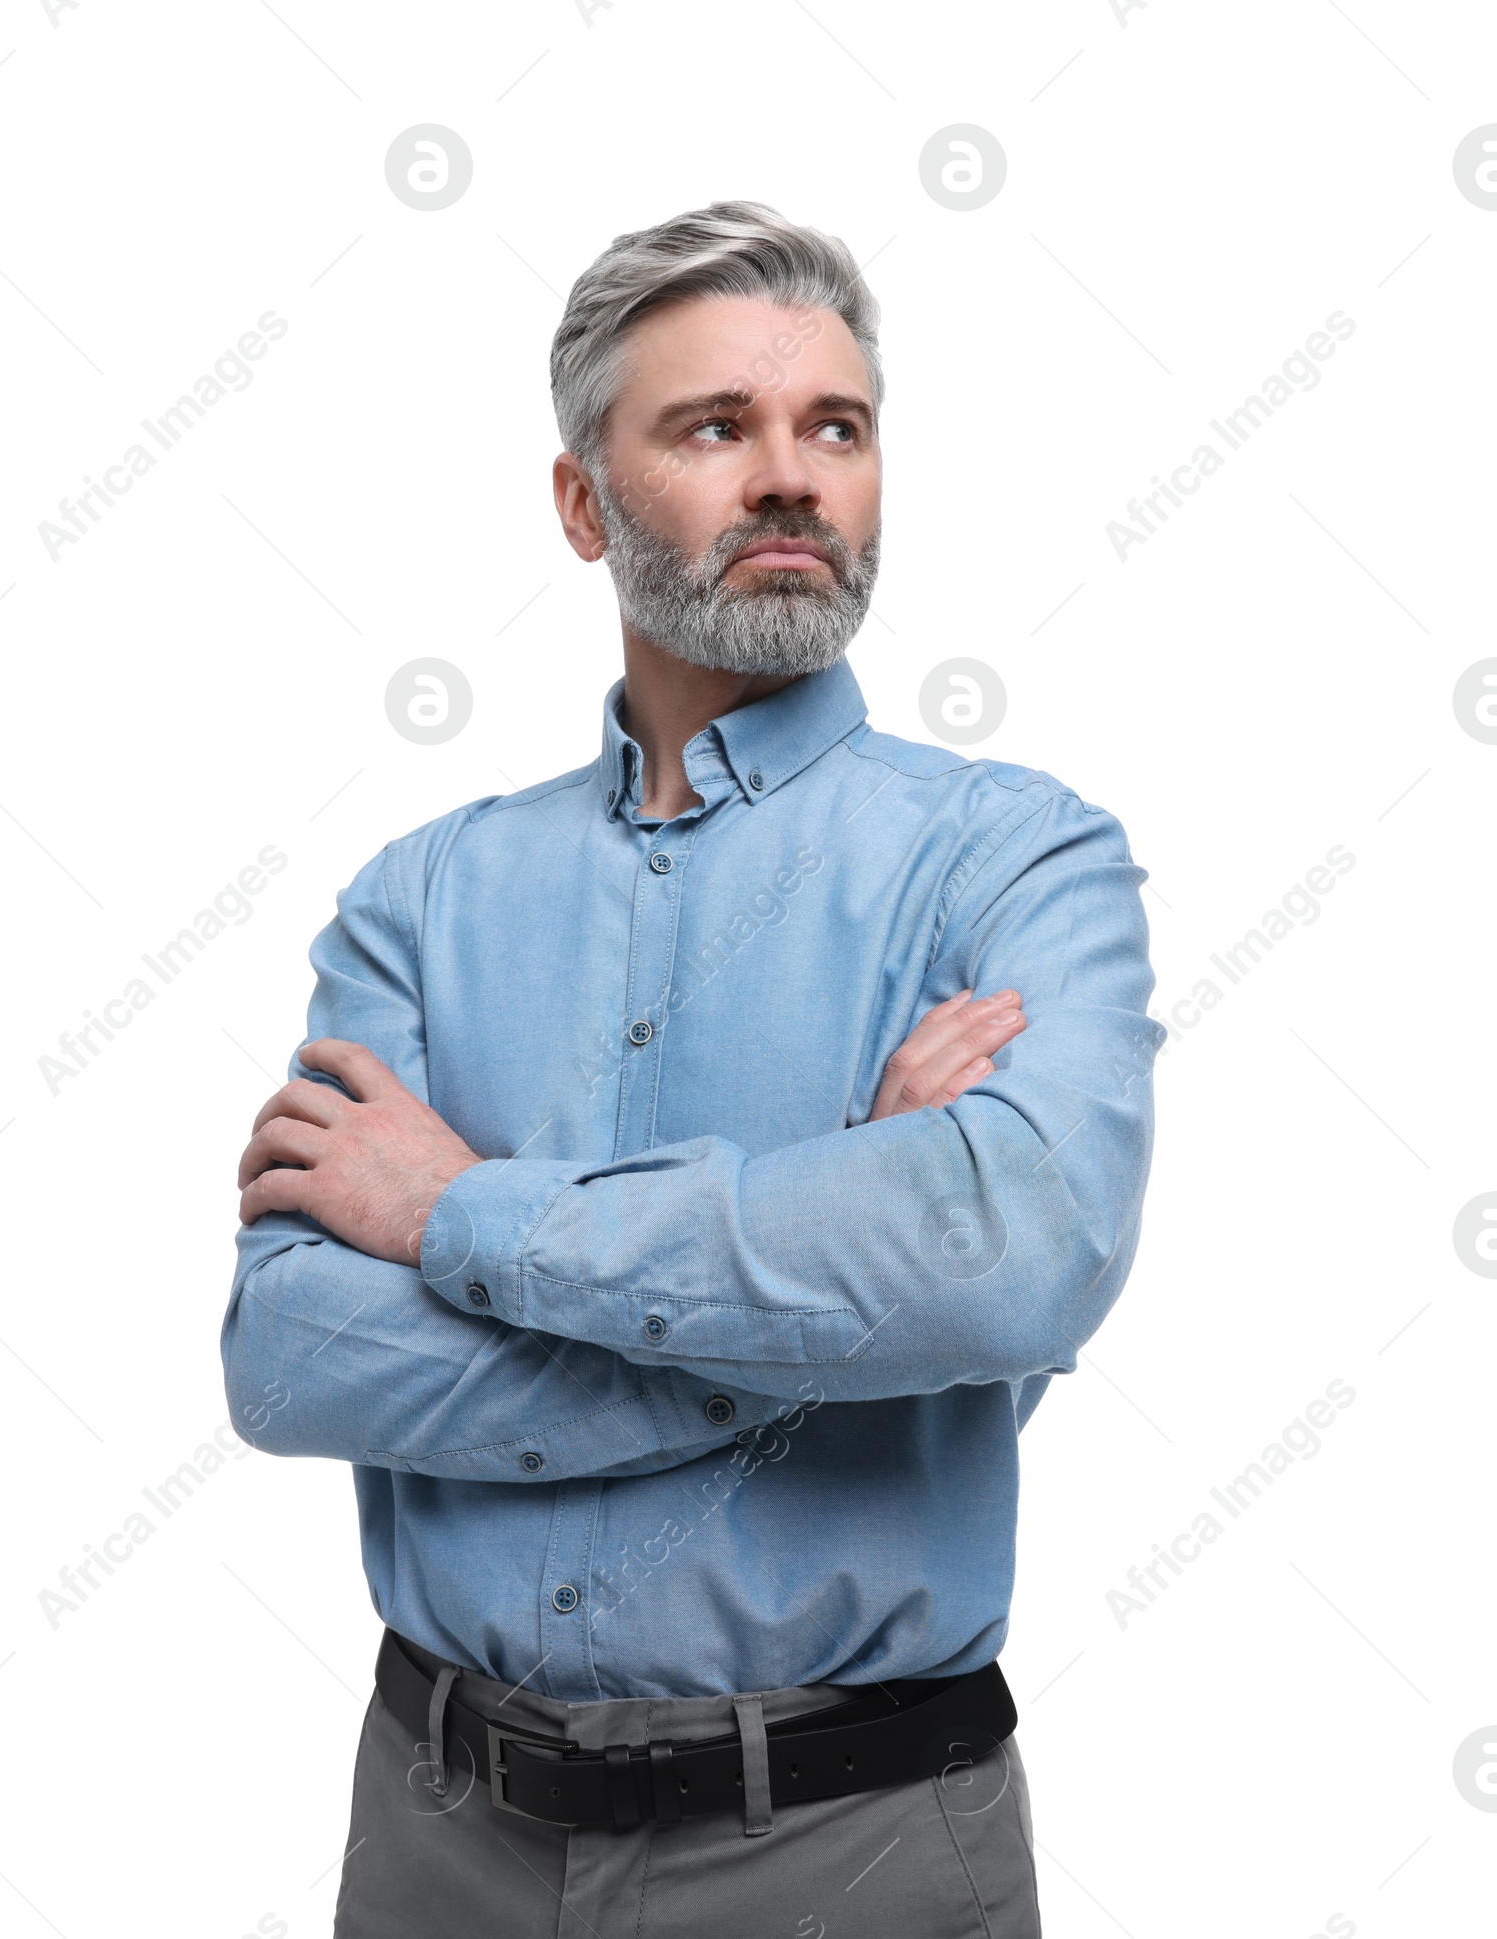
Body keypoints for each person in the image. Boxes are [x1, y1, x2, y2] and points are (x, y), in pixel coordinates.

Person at [222, 200, 1164, 1938]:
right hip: (441, 1842)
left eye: (838, 429)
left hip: (857, 1850)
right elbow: (287, 1363)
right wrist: (833, 1288)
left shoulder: (1019, 865)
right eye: (717, 428)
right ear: (583, 502)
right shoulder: (423, 901)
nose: (793, 477)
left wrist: (460, 1215)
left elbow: (1012, 1262)